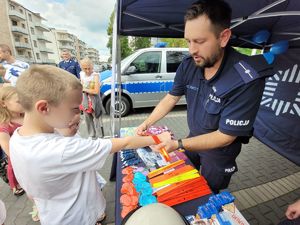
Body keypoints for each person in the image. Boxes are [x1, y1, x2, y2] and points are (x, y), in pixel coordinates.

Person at [137, 0, 274, 193]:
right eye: (188, 41)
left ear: (224, 37)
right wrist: (147, 123)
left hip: (219, 152)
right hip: (193, 139)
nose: (192, 49)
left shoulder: (246, 78)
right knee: (183, 185)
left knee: (208, 193)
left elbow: (225, 137)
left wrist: (178, 144)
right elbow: (171, 97)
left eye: (199, 41)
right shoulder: (188, 64)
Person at [10, 65, 170, 225]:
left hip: (53, 214)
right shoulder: (61, 150)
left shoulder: (18, 137)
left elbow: (33, 190)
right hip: (77, 218)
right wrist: (157, 138)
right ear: (44, 107)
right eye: (74, 109)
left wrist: (66, 132)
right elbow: (124, 142)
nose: (78, 115)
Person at [0, 86, 25, 196]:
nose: (23, 103)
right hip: (22, 161)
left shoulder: (27, 116)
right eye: (19, 101)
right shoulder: (5, 126)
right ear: (4, 103)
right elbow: (9, 150)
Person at [79, 58, 104, 138]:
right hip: (85, 100)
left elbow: (96, 91)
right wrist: (89, 89)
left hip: (94, 101)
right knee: (88, 120)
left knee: (97, 120)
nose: (87, 70)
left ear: (92, 66)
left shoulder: (95, 75)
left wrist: (84, 89)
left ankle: (100, 137)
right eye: (85, 68)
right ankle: (92, 136)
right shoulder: (81, 74)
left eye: (89, 68)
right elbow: (82, 85)